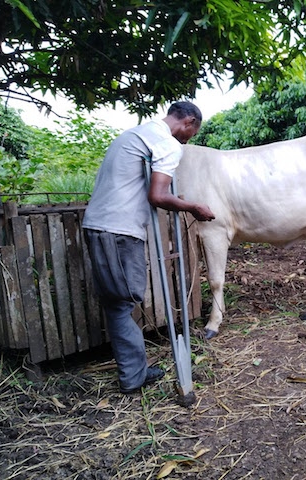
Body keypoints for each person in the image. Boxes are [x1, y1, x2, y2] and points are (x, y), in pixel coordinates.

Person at [82, 101, 215, 394]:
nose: (188, 139)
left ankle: (134, 371)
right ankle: (133, 376)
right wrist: (192, 206)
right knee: (123, 302)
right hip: (119, 231)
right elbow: (157, 195)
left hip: (96, 225)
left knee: (116, 303)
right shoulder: (167, 144)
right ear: (189, 122)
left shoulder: (133, 135)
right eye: (192, 133)